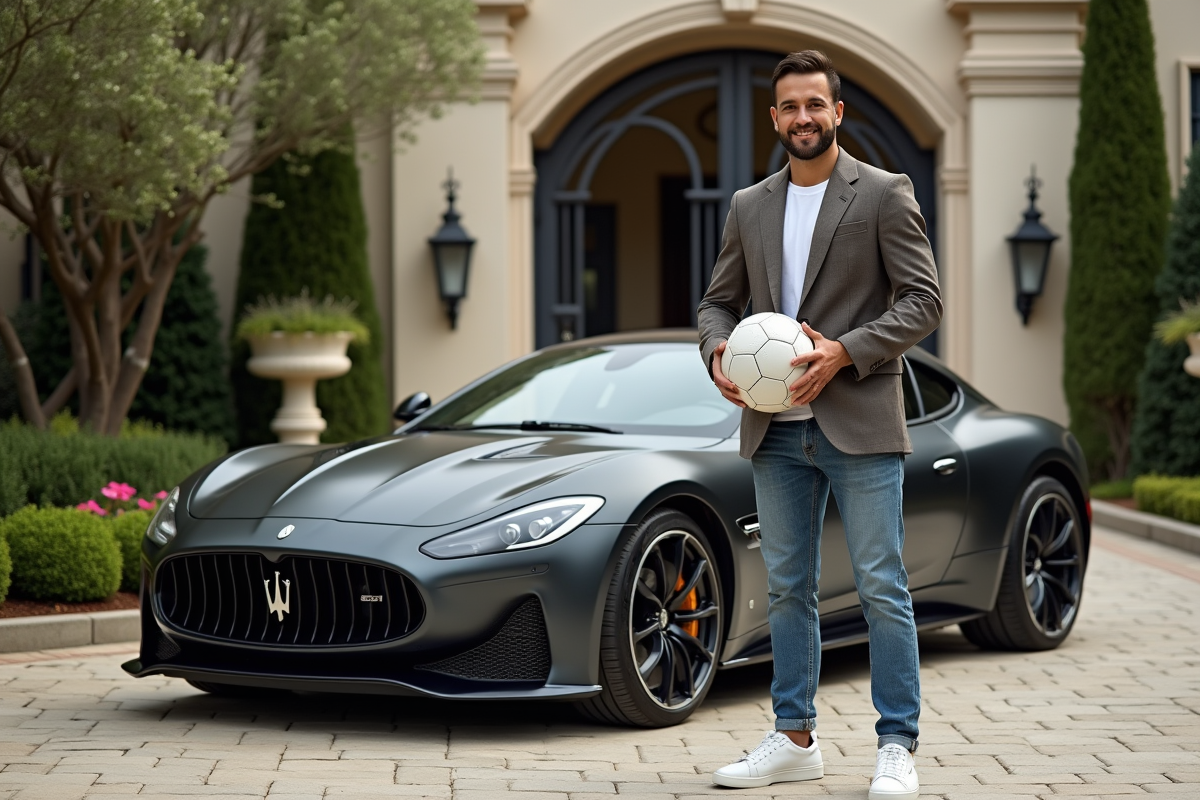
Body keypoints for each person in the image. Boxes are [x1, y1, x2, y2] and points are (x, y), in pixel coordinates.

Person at [697, 50, 942, 800]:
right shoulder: (749, 205)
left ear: (838, 112)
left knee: (881, 586)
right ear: (774, 120)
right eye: (789, 107)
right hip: (775, 429)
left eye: (816, 105)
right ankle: (795, 738)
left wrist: (844, 352)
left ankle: (897, 744)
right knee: (787, 589)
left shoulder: (884, 194)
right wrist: (716, 352)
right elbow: (716, 302)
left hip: (859, 421)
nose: (802, 118)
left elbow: (923, 302)